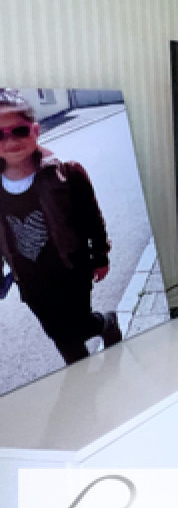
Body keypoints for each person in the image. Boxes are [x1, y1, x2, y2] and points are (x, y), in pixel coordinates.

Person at [0, 91, 120, 364]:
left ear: (35, 131)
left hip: (71, 270)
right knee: (58, 333)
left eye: (19, 131)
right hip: (30, 281)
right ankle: (79, 369)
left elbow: (92, 219)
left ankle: (105, 323)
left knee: (79, 324)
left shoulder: (66, 175)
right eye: (0, 135)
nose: (10, 142)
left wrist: (100, 256)